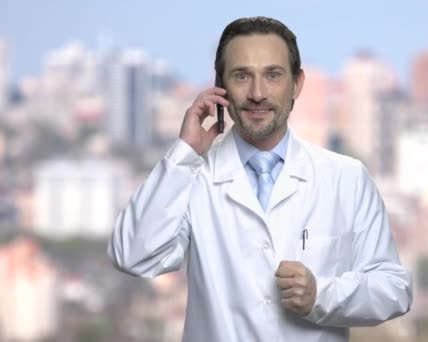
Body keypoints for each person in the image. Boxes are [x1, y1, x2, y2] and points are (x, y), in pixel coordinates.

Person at [108, 16, 412, 342]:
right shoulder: (192, 176)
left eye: (273, 75)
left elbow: (393, 289)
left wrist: (322, 295)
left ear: (297, 84)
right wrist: (185, 152)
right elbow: (133, 255)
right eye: (241, 76)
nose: (257, 93)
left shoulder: (345, 177)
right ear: (219, 87)